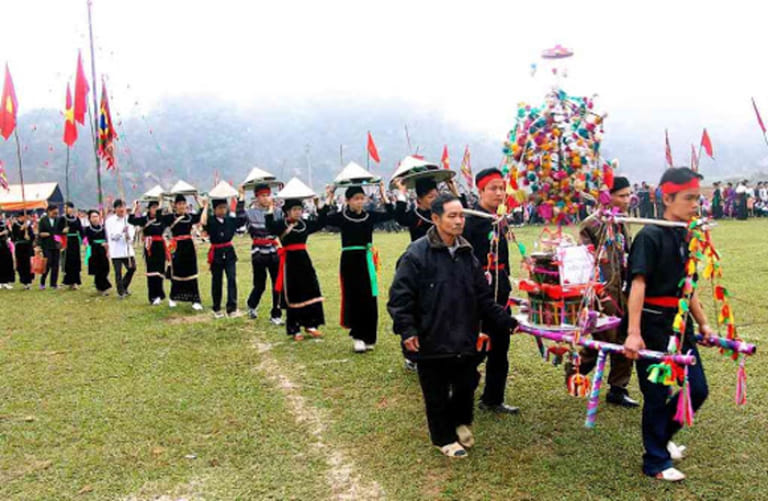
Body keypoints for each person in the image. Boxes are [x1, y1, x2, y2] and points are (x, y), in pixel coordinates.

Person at [388, 193, 519, 458]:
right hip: (431, 334)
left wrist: (507, 320)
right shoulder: (416, 254)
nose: (459, 221)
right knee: (435, 390)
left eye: (461, 215)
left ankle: (460, 422)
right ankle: (443, 438)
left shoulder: (466, 253)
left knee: (466, 382)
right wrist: (408, 330)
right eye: (452, 216)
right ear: (436, 219)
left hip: (464, 332)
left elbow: (483, 297)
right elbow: (400, 297)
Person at [623, 167, 714, 482]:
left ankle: (662, 436)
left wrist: (703, 324)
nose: (695, 205)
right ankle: (655, 462)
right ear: (667, 197)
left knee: (698, 389)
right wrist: (634, 333)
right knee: (656, 394)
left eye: (697, 198)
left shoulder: (687, 235)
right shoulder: (649, 235)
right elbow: (637, 286)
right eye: (689, 198)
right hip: (651, 325)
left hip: (680, 325)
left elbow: (688, 286)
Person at [565, 176, 638, 407]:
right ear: (608, 196)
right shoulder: (591, 224)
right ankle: (576, 369)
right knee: (605, 340)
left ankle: (618, 388)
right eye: (622, 195)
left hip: (625, 290)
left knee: (626, 338)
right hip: (601, 292)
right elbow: (585, 260)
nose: (627, 200)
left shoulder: (623, 220)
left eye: (628, 195)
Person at [462, 168, 519, 415]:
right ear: (481, 191)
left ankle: (493, 398)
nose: (499, 193)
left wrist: (505, 283)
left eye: (501, 188)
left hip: (500, 289)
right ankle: (456, 393)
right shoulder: (471, 221)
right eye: (493, 188)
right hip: (478, 292)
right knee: (474, 347)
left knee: (500, 346)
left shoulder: (499, 219)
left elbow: (503, 258)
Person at [325, 182, 395, 353]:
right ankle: (357, 336)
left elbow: (392, 213)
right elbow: (323, 218)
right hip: (349, 260)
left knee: (370, 297)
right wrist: (330, 196)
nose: (359, 202)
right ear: (348, 200)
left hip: (367, 259)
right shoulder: (342, 217)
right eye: (356, 199)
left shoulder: (369, 216)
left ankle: (370, 337)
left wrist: (383, 193)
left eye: (362, 199)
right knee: (353, 296)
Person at [265, 197, 327, 340]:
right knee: (294, 294)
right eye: (294, 210)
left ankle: (311, 325)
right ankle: (294, 328)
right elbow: (269, 225)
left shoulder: (305, 224)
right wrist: (270, 207)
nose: (298, 212)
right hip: (289, 262)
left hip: (304, 261)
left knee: (311, 290)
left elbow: (321, 222)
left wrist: (318, 205)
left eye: (300, 209)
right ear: (287, 212)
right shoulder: (281, 225)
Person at [200, 196, 247, 318]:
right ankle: (216, 308)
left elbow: (242, 219)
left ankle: (232, 308)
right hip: (216, 253)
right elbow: (203, 222)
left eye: (224, 208)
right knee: (217, 281)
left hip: (229, 252)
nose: (223, 210)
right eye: (220, 208)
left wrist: (241, 199)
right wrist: (205, 206)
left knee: (231, 279)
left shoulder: (230, 220)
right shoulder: (210, 220)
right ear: (214, 209)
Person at [241, 184, 282, 323]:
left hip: (273, 250)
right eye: (263, 196)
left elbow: (279, 228)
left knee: (277, 283)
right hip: (258, 251)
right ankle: (252, 305)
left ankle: (276, 314)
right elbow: (240, 216)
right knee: (260, 284)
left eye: (267, 195)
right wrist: (241, 196)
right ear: (257, 197)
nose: (266, 198)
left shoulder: (277, 211)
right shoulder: (250, 212)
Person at [161, 194, 203, 310]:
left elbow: (201, 214)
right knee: (177, 273)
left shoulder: (190, 217)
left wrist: (197, 200)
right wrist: (161, 201)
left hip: (189, 246)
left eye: (183, 203)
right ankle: (173, 298)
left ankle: (195, 300)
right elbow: (159, 217)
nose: (182, 206)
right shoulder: (171, 217)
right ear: (175, 205)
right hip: (177, 247)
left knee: (192, 273)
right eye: (179, 204)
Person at [129, 200, 168, 305]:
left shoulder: (162, 219)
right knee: (151, 271)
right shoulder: (144, 219)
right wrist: (135, 207)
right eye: (153, 207)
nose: (155, 209)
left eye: (157, 207)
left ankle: (160, 294)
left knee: (160, 270)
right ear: (149, 209)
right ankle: (152, 296)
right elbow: (131, 220)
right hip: (149, 247)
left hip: (160, 246)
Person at [105, 199, 137, 299]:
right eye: (119, 207)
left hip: (127, 250)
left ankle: (124, 286)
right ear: (115, 209)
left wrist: (129, 236)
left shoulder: (129, 220)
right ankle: (121, 292)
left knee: (132, 268)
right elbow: (112, 236)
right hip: (116, 251)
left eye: (123, 206)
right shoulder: (110, 221)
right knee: (118, 272)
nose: (121, 209)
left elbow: (132, 235)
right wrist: (121, 231)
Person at [84, 210, 112, 295]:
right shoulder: (88, 229)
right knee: (97, 269)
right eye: (93, 217)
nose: (95, 218)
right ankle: (101, 287)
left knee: (105, 268)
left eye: (97, 216)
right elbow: (88, 240)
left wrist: (107, 246)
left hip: (103, 250)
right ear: (89, 219)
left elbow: (107, 238)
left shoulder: (103, 228)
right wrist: (99, 244)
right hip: (94, 250)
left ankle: (101, 285)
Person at [59, 202, 84, 289]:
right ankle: (68, 281)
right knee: (68, 261)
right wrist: (63, 231)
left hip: (75, 241)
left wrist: (84, 239)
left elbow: (81, 230)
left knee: (75, 261)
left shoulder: (76, 219)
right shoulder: (62, 219)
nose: (65, 209)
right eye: (64, 207)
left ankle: (75, 281)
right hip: (66, 241)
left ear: (72, 209)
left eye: (67, 207)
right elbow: (57, 231)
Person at [36, 204, 61, 290]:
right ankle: (42, 282)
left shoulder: (58, 220)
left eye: (57, 213)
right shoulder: (43, 220)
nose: (55, 215)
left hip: (56, 245)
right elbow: (39, 233)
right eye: (54, 213)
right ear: (49, 211)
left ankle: (53, 283)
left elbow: (60, 232)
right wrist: (42, 237)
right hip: (46, 245)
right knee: (48, 263)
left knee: (56, 265)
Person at [10, 211, 34, 289]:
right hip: (19, 247)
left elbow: (32, 236)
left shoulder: (28, 226)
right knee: (21, 265)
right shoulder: (15, 226)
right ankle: (23, 281)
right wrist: (21, 230)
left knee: (28, 264)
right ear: (19, 217)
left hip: (27, 247)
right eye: (23, 216)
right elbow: (13, 237)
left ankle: (29, 281)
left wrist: (29, 237)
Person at [0, 212, 15, 288]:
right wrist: (2, 233)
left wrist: (10, 230)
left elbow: (11, 236)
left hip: (5, 246)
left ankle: (5, 281)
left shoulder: (4, 225)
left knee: (7, 263)